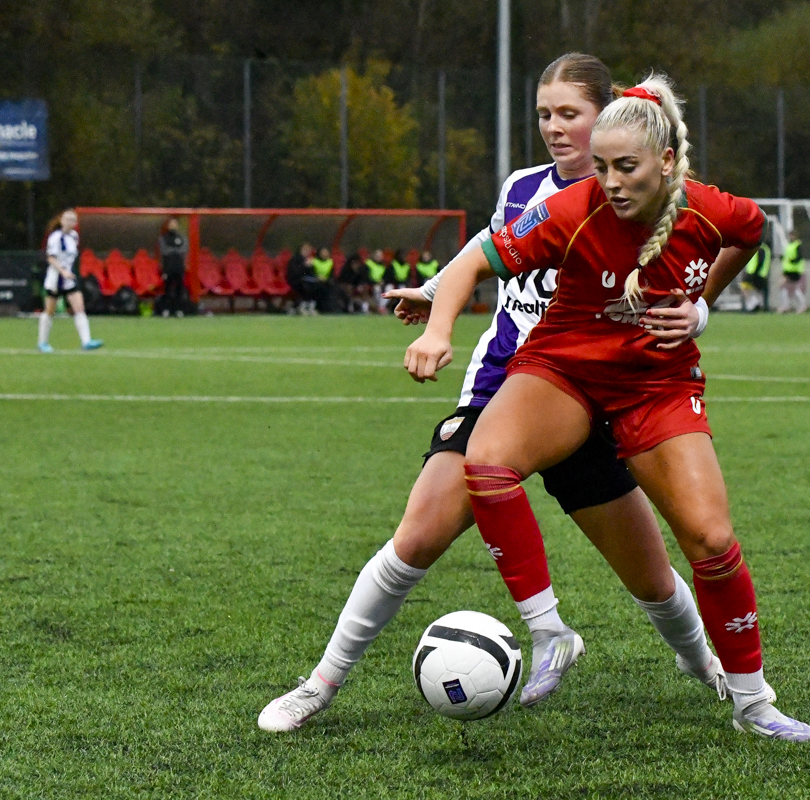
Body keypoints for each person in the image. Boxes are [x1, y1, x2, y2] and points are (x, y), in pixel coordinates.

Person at [258, 54, 725, 734]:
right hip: (503, 392)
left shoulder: (644, 202)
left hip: (593, 403)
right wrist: (435, 303)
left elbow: (697, 281)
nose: (555, 128)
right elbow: (485, 248)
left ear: (612, 120)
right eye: (544, 114)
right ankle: (319, 684)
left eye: (571, 114)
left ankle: (704, 663)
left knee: (652, 578)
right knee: (416, 537)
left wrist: (700, 314)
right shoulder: (524, 188)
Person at [402, 73, 810, 743]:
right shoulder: (572, 208)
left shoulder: (710, 209)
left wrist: (701, 304)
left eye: (626, 166)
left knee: (711, 541)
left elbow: (754, 229)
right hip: (564, 369)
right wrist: (437, 329)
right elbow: (472, 264)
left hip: (655, 385)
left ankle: (752, 703)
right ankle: (550, 631)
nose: (611, 181)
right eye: (601, 166)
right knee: (487, 460)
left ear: (668, 162)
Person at [37, 209, 103, 353]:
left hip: (69, 279)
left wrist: (69, 272)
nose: (70, 222)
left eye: (72, 220)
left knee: (79, 307)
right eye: (67, 219)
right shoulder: (55, 237)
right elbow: (51, 258)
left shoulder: (74, 236)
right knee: (50, 311)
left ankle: (87, 341)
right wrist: (63, 271)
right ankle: (42, 343)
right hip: (55, 278)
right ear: (62, 221)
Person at [157, 218, 189, 317]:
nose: (173, 226)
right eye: (171, 224)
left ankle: (178, 310)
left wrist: (173, 252)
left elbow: (183, 249)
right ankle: (166, 309)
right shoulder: (163, 238)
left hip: (179, 267)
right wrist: (175, 251)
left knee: (179, 289)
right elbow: (164, 251)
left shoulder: (182, 238)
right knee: (167, 289)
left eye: (175, 224)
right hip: (168, 267)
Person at [740, 231, 771, 312]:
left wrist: (754, 273)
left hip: (754, 273)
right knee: (751, 289)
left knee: (744, 287)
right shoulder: (763, 248)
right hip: (755, 272)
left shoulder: (760, 248)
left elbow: (759, 262)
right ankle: (754, 304)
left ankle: (752, 304)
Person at [286, 243, 320, 315]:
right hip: (295, 280)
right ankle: (301, 306)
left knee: (318, 285)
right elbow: (295, 273)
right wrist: (304, 266)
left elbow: (311, 274)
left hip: (307, 281)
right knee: (306, 287)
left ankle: (311, 306)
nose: (307, 252)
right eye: (305, 249)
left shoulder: (308, 260)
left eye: (308, 250)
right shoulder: (294, 259)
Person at [779, 229, 806, 313]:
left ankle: (800, 305)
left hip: (794, 270)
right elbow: (787, 255)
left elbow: (799, 258)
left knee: (791, 288)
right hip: (787, 270)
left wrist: (791, 260)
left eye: (793, 235)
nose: (791, 237)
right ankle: (787, 305)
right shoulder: (790, 245)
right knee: (784, 287)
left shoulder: (798, 245)